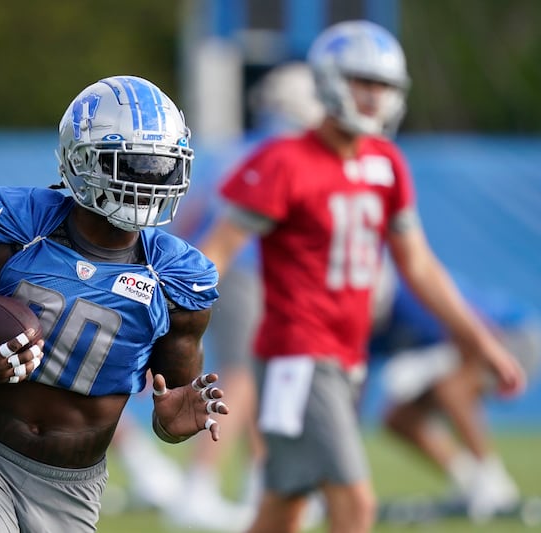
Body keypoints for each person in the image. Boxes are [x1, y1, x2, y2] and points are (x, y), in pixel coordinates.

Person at [198, 20, 526, 533]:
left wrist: (478, 341)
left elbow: (418, 264)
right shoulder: (284, 160)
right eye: (363, 82)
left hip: (347, 357)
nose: (375, 97)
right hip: (297, 357)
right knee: (355, 503)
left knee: (285, 503)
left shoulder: (387, 164)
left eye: (385, 85)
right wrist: (171, 323)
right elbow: (216, 249)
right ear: (329, 81)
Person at [0, 74, 229, 532]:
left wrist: (170, 424)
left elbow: (172, 399)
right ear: (80, 159)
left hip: (71, 488)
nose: (146, 181)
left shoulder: (177, 280)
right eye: (129, 165)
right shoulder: (17, 227)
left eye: (159, 167)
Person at [163, 62, 324, 532]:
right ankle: (200, 484)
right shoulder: (293, 152)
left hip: (219, 271)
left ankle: (266, 483)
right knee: (243, 378)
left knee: (260, 379)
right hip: (252, 273)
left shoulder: (233, 151)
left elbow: (188, 222)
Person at [372, 258, 541, 522]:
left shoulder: (411, 299)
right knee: (398, 418)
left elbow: (475, 332)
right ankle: (471, 483)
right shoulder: (369, 324)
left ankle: (494, 482)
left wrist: (432, 367)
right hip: (465, 351)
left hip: (511, 335)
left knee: (452, 389)